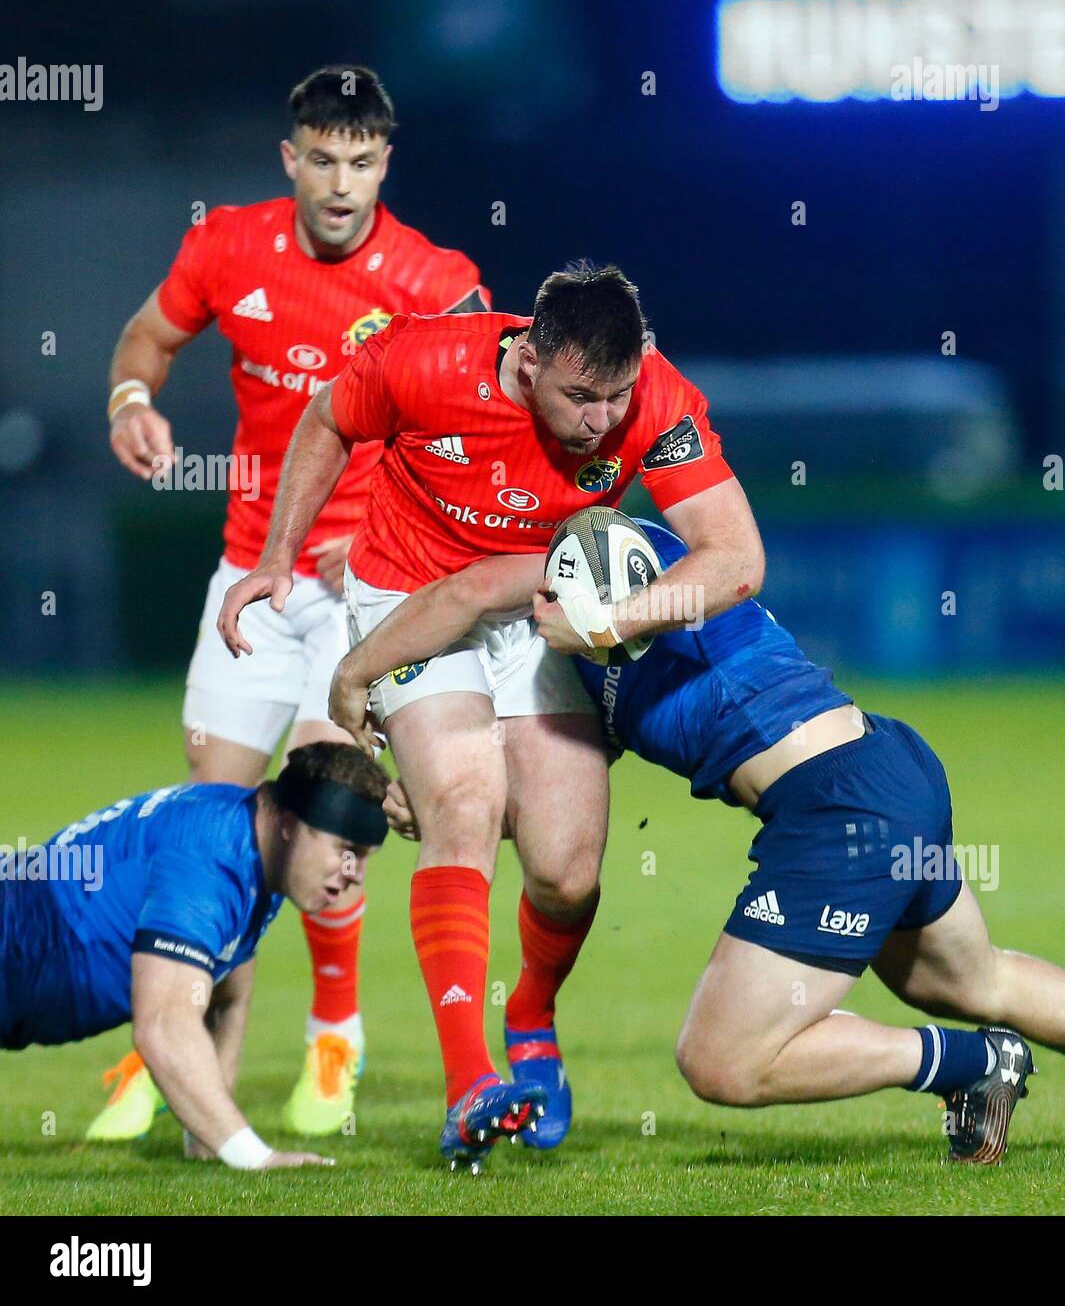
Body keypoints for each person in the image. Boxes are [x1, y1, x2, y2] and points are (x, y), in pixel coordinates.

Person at [330, 517, 1065, 1163]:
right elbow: (472, 608)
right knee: (963, 977)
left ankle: (973, 1062)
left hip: (840, 814)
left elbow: (695, 585)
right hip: (889, 774)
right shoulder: (577, 624)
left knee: (720, 1062)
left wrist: (356, 671)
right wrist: (420, 768)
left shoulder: (680, 591)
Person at [216, 264, 766, 1171]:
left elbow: (736, 558)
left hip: (549, 607)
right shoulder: (421, 363)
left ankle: (532, 1018)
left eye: (616, 397)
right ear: (527, 358)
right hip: (413, 593)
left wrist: (619, 619)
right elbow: (324, 418)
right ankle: (471, 1084)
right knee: (464, 805)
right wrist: (280, 556)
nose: (601, 421)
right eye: (581, 397)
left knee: (566, 871)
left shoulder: (652, 400)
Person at [99, 64, 490, 1141]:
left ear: (385, 164)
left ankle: (334, 1030)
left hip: (361, 587)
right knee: (212, 821)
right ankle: (177, 1045)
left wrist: (398, 538)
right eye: (322, 157)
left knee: (328, 806)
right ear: (291, 158)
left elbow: (478, 430)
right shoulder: (227, 245)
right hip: (251, 574)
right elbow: (148, 336)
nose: (341, 182)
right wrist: (133, 399)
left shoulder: (432, 278)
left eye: (361, 161)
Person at [0, 744, 396, 1170]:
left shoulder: (255, 848)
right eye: (345, 849)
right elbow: (163, 1028)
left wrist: (209, 1140)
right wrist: (255, 1158)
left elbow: (224, 997)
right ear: (288, 823)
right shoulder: (207, 857)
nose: (355, 874)